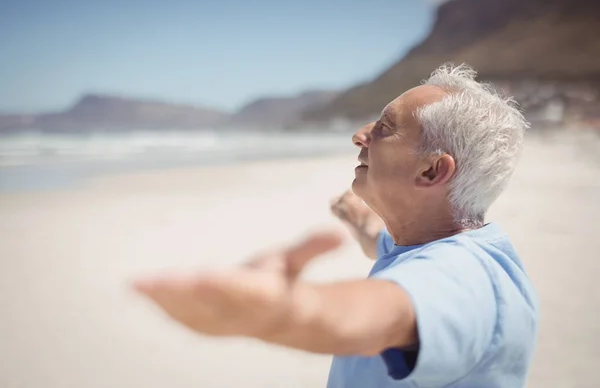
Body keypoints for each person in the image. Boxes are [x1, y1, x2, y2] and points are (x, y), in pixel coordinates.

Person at [134, 64, 539, 387]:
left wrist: (286, 311)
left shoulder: (458, 279)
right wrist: (356, 212)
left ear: (432, 170)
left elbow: (376, 314)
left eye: (385, 127)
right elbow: (377, 241)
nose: (359, 136)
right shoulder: (441, 244)